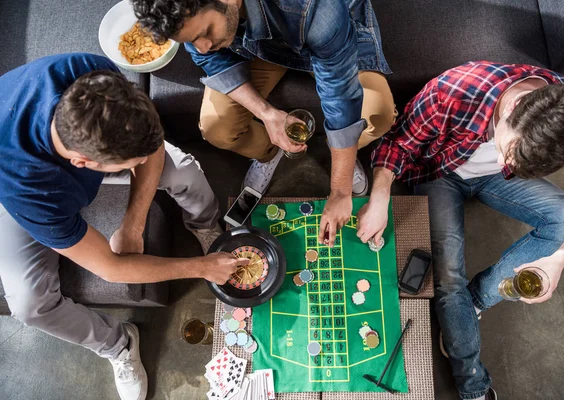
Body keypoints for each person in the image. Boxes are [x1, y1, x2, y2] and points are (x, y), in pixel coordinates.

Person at [0, 53, 249, 400]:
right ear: (84, 164)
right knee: (29, 305)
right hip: (13, 199)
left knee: (185, 171)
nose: (145, 164)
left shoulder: (85, 75)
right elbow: (111, 268)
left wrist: (133, 224)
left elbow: (154, 149)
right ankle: (117, 344)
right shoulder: (32, 191)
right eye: (135, 163)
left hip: (71, 166)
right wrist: (203, 268)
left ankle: (205, 226)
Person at [356, 61, 564, 400]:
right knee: (448, 276)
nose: (505, 165)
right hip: (438, 174)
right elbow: (398, 144)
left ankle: (475, 299)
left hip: (491, 184)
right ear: (514, 107)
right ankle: (473, 386)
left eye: (518, 166)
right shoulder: (454, 91)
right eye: (508, 151)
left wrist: (559, 259)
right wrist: (380, 197)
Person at [131, 0, 397, 246]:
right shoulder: (194, 15)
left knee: (378, 115)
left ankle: (341, 157)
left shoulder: (317, 6)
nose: (202, 45)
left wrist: (340, 192)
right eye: (191, 40)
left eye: (206, 32)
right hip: (260, 47)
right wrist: (267, 113)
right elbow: (208, 58)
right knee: (217, 128)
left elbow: (340, 94)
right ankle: (269, 154)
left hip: (336, 35)